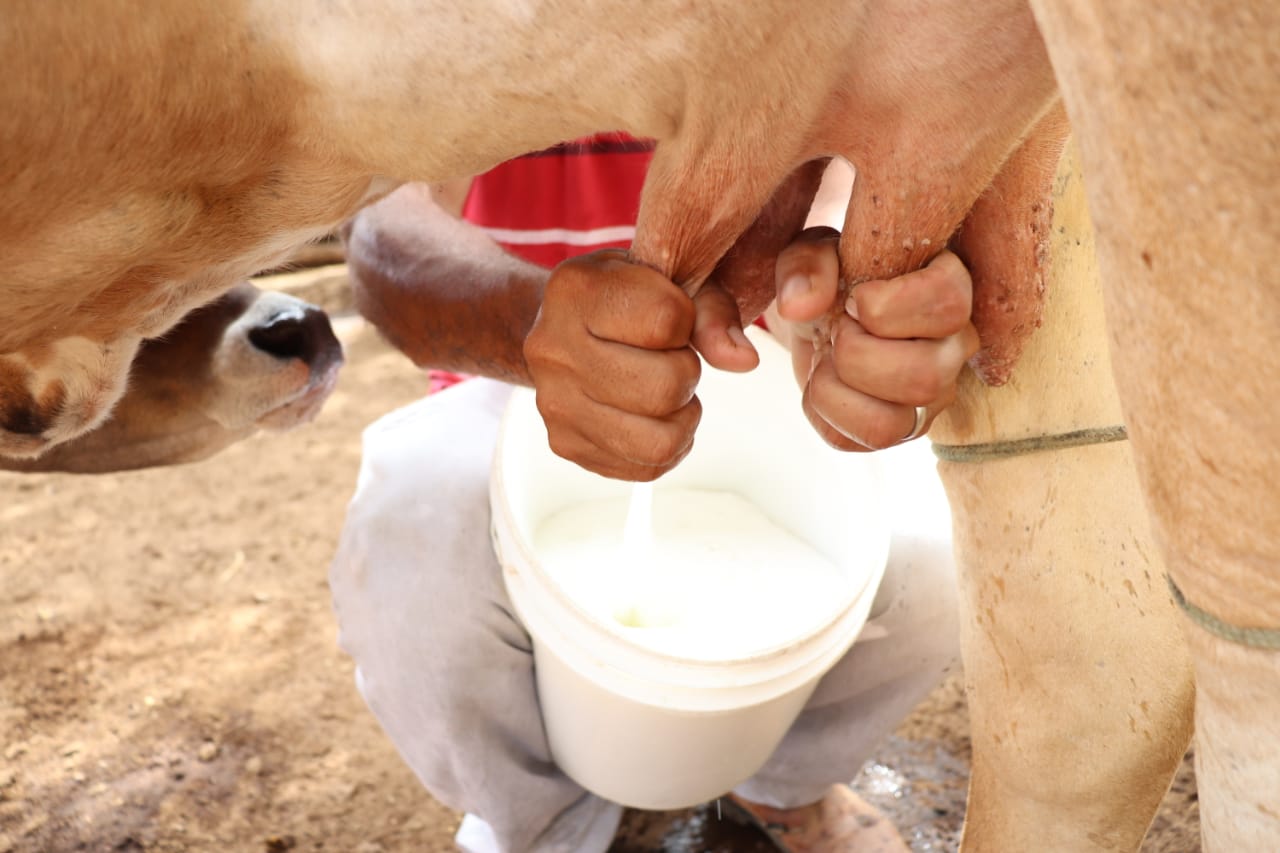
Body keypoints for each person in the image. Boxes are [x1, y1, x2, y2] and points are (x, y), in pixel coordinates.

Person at [330, 138, 977, 852]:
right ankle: (542, 823)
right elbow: (384, 237)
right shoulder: (469, 34)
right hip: (518, 382)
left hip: (750, 368)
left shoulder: (802, 31)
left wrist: (858, 296)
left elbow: (853, 195)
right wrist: (537, 328)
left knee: (935, 547)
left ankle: (784, 785)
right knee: (408, 535)